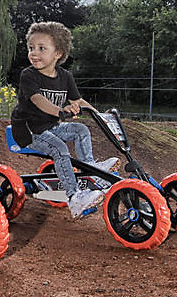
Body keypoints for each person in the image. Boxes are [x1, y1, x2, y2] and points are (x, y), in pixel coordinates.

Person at [11, 21, 118, 219]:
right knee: (60, 148)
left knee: (80, 130)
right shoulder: (29, 75)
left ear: (58, 53)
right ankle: (74, 198)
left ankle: (90, 168)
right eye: (31, 48)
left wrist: (100, 116)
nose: (34, 53)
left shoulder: (65, 76)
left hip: (50, 127)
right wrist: (60, 111)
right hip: (28, 130)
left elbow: (78, 101)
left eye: (41, 48)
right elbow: (38, 100)